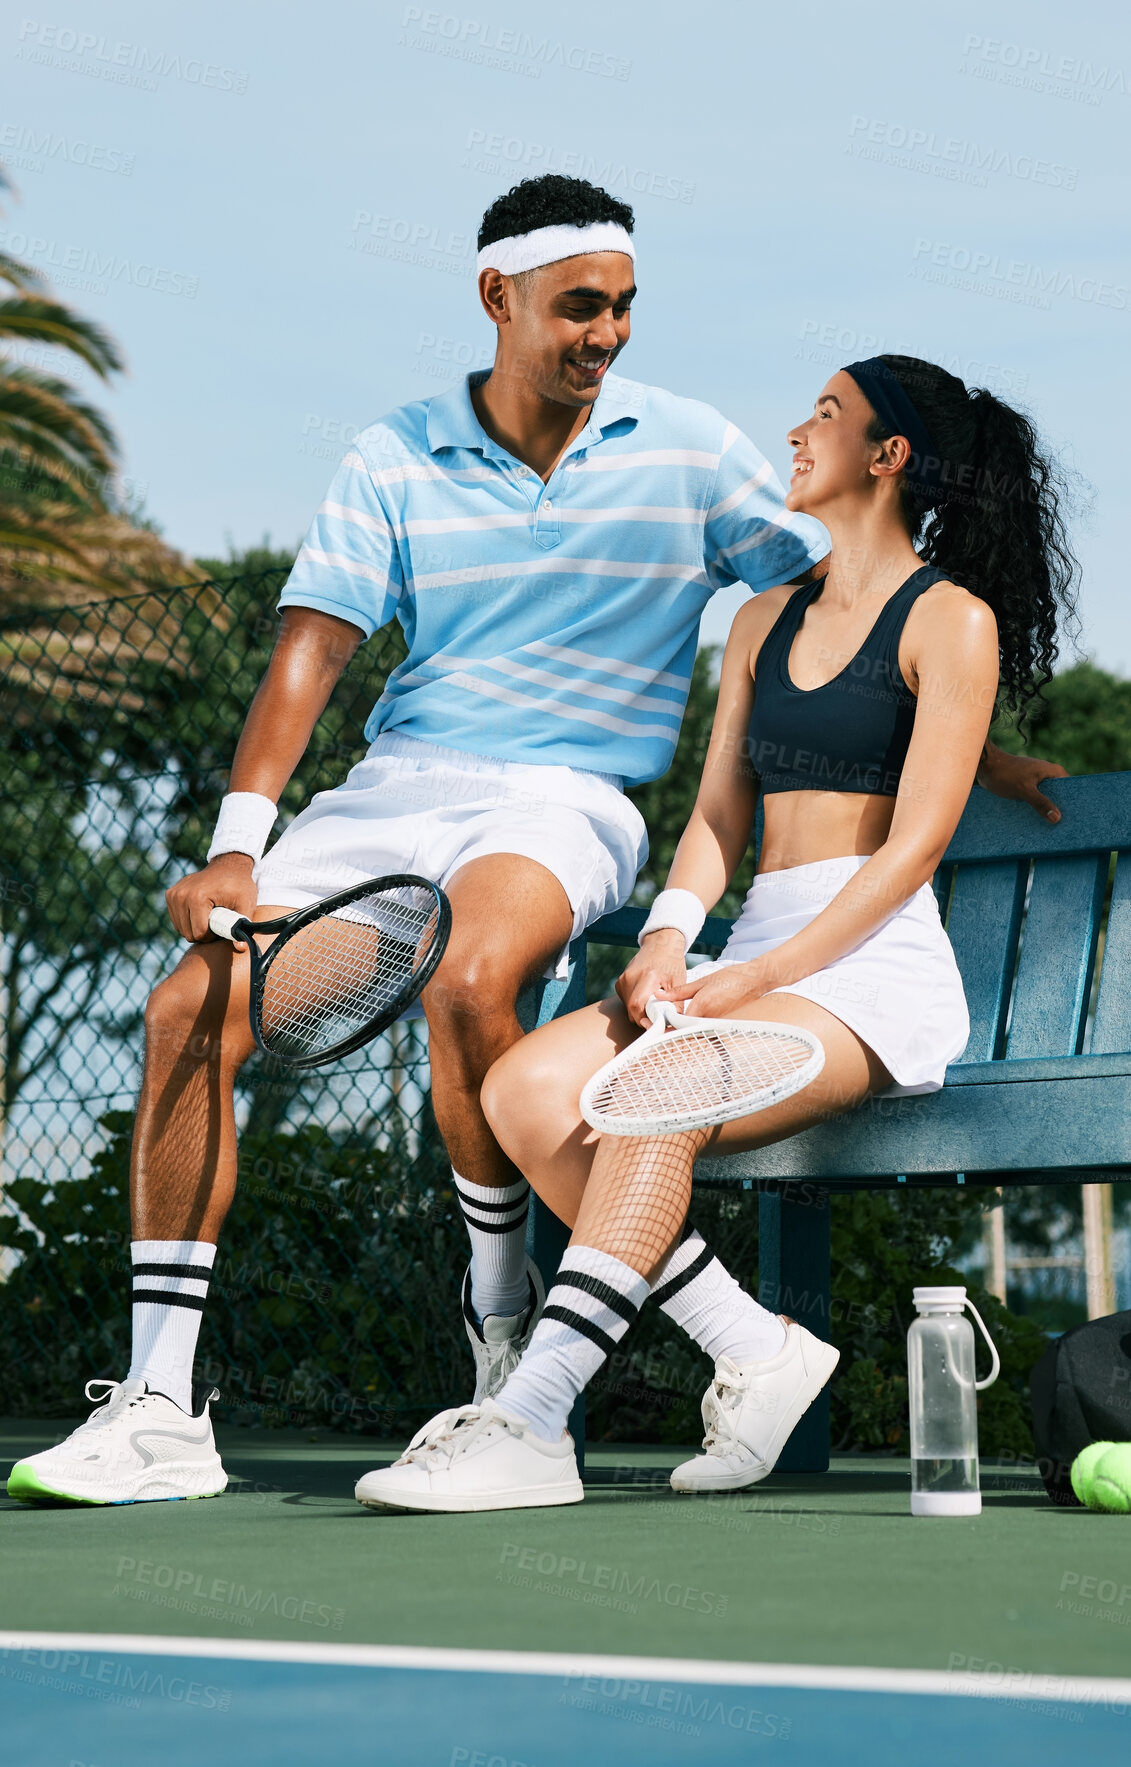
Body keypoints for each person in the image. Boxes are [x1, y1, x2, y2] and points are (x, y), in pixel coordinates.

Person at [8, 175, 1060, 1505]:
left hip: (563, 801)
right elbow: (314, 647)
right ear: (496, 298)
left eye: (623, 306)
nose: (606, 331)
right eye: (578, 306)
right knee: (188, 1007)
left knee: (473, 975)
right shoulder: (391, 453)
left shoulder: (687, 449)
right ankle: (160, 1405)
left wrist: (969, 740)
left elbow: (849, 592)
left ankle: (507, 1346)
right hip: (398, 792)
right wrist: (236, 842)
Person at [353, 353, 1078, 1514]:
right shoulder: (758, 619)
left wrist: (759, 978)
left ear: (888, 458)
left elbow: (912, 851)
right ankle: (756, 1348)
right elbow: (715, 818)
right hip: (757, 958)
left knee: (656, 1092)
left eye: (827, 416)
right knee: (528, 1092)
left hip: (866, 976)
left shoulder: (953, 622)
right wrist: (672, 941)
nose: (796, 431)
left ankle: (529, 1423)